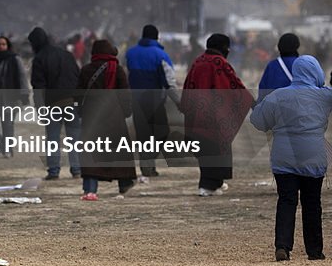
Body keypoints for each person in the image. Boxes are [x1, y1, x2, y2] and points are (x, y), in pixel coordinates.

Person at [250, 55, 332, 261]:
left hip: (283, 157)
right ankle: (314, 250)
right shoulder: (325, 96)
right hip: (313, 155)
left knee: (286, 200)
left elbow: (258, 121)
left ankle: (283, 246)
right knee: (312, 202)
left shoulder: (278, 96)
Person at [180, 34, 254, 197]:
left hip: (197, 115)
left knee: (204, 150)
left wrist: (187, 108)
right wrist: (250, 101)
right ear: (223, 47)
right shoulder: (220, 63)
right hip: (215, 117)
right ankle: (208, 186)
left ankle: (213, 183)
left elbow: (187, 87)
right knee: (217, 149)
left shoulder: (198, 62)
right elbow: (234, 85)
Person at [76, 40, 135, 200]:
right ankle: (124, 182)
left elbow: (79, 95)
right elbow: (124, 93)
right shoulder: (117, 70)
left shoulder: (86, 70)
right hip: (113, 117)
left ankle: (90, 188)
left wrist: (80, 112)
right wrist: (127, 111)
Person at [125, 24, 180, 178]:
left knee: (143, 135)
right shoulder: (161, 55)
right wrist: (177, 102)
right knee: (162, 133)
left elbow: (127, 75)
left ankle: (147, 167)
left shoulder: (130, 53)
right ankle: (148, 161)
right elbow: (169, 82)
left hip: (137, 101)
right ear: (156, 37)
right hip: (155, 102)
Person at [28, 27, 81, 180]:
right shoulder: (66, 55)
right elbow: (77, 77)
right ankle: (76, 168)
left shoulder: (39, 59)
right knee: (74, 137)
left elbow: (39, 87)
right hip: (71, 100)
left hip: (52, 103)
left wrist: (40, 109)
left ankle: (54, 170)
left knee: (53, 138)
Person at [257, 33, 301, 102]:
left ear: (279, 47)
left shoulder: (272, 66)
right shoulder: (304, 64)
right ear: (297, 46)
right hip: (299, 108)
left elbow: (263, 91)